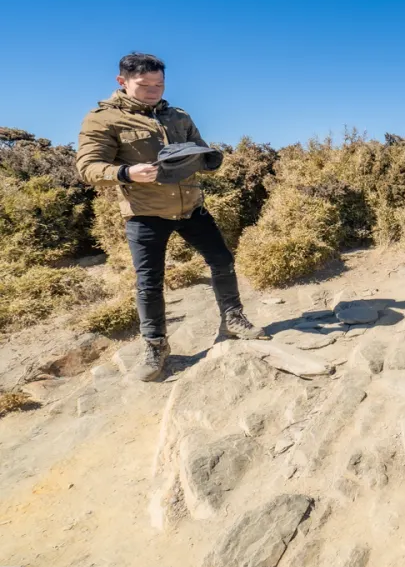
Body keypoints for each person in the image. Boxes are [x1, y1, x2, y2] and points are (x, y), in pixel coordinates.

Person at [76, 53, 268, 382]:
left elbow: (198, 147)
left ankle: (233, 319)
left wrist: (208, 159)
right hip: (145, 215)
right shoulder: (103, 119)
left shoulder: (177, 115)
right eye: (144, 85)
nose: (154, 90)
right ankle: (155, 346)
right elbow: (87, 168)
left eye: (159, 84)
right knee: (149, 284)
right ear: (122, 82)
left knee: (222, 260)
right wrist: (127, 172)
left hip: (191, 207)